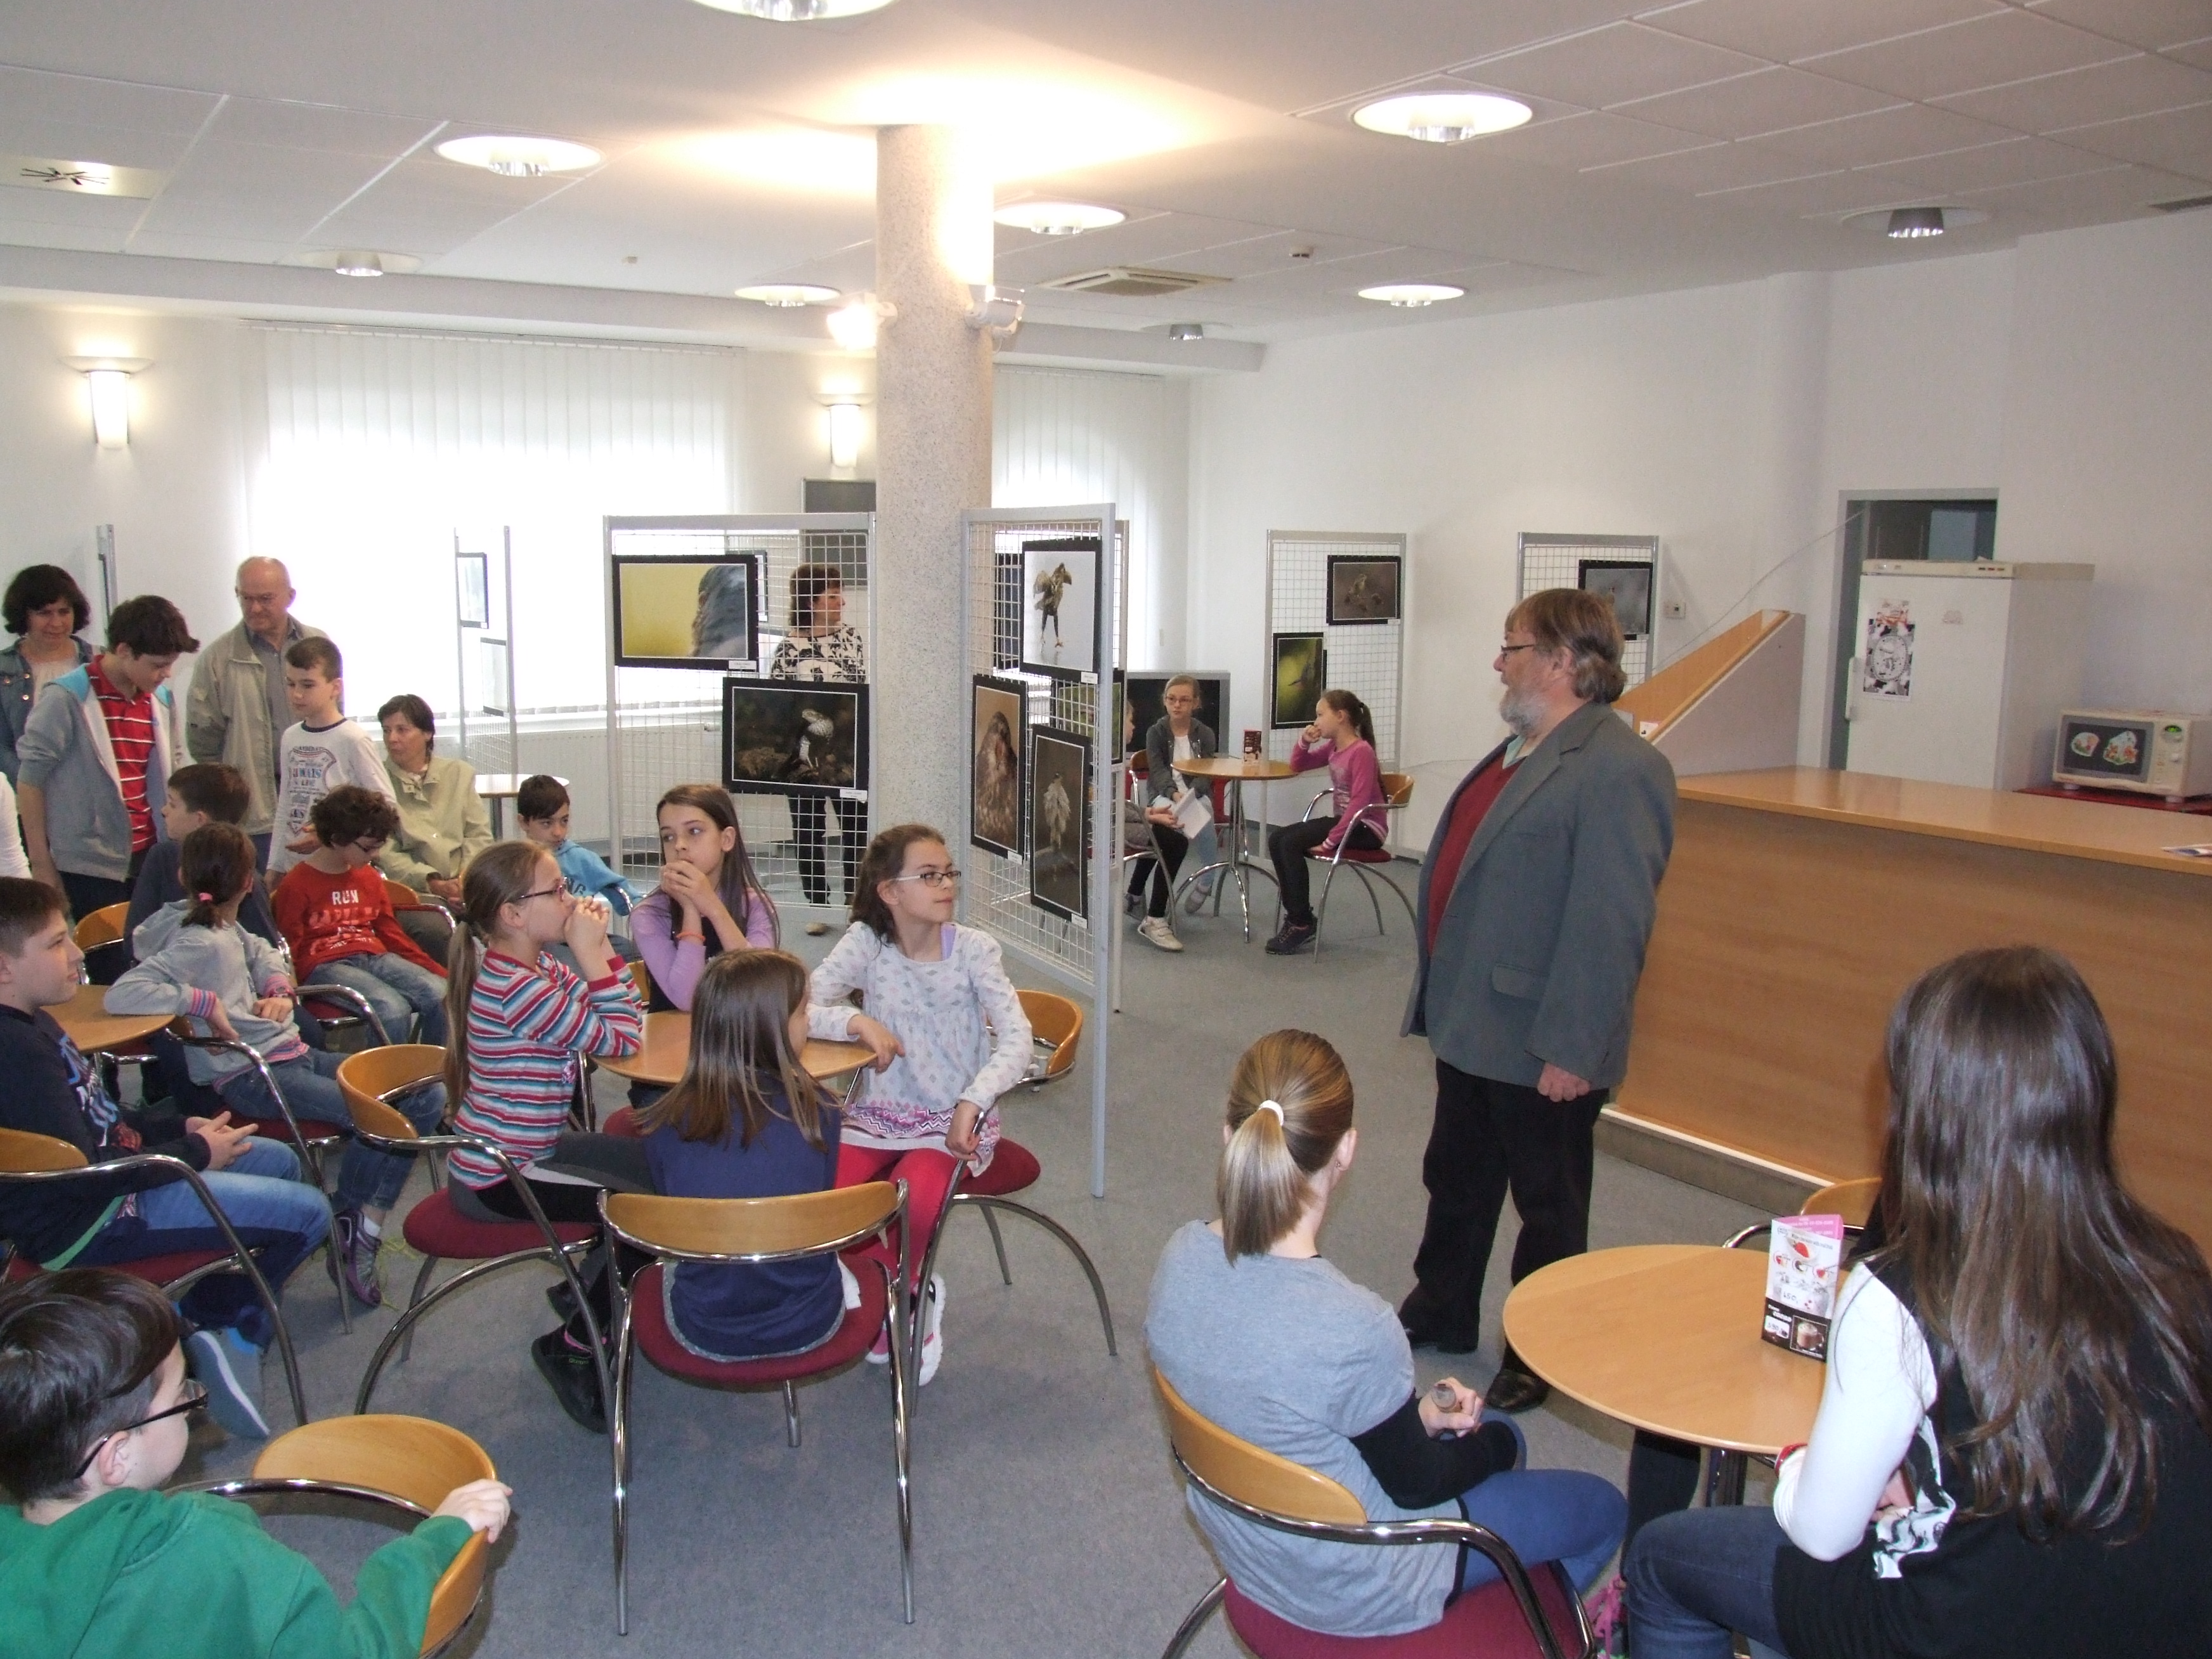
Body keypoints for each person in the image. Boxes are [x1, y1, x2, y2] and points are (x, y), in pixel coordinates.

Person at [1625, 947, 2212, 1658]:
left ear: (1927, 1112)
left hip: (1966, 1631)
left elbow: (1820, 1533)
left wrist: (1795, 1466)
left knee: (1664, 1559)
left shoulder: (1903, 1292)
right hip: (2150, 1626)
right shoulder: (2174, 1268)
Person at [1145, 1028, 1627, 1640]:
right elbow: (1418, 1484)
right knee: (1584, 1494)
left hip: (1251, 1550)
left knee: (1482, 1444)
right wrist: (1495, 1451)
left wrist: (1413, 1418)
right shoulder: (1355, 1326)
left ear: (1228, 1136)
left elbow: (1277, 1401)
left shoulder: (1179, 1258)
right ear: (1346, 1149)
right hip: (1365, 1583)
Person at [1397, 589, 1674, 1413]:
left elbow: (1611, 925)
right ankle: (1442, 1306)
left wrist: (1574, 1049)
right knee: (1456, 1177)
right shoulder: (1519, 750)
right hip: (1474, 1021)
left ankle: (1539, 1349)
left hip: (1542, 1037)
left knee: (1547, 1206)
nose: (1498, 662)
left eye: (1511, 647)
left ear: (1561, 661)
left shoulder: (1621, 769)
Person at [0, 1268, 511, 1656]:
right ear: (116, 1456)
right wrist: (432, 1543)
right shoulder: (215, 1552)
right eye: (182, 1396)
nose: (195, 1402)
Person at [0, 876, 330, 1439]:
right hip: (94, 1221)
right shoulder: (17, 1055)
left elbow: (106, 1115)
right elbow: (81, 1175)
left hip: (118, 1180)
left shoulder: (37, 1021)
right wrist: (195, 1153)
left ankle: (198, 1315)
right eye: (56, 943)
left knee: (276, 1160)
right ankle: (216, 1330)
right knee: (310, 1215)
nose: (77, 955)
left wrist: (180, 1126)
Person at [110, 824, 443, 1311]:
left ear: (184, 876)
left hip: (290, 1055)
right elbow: (124, 993)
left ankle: (353, 1218)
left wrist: (278, 989)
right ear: (250, 883)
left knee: (425, 1093)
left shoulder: (222, 926)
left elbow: (264, 951)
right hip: (252, 1076)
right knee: (387, 1114)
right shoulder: (200, 940)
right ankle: (354, 1223)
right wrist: (202, 1002)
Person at [809, 823, 1031, 1386]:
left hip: (951, 1122)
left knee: (914, 1205)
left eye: (949, 873)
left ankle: (908, 1294)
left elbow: (1018, 1041)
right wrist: (854, 1021)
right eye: (930, 876)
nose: (947, 884)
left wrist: (973, 1102)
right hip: (880, 1115)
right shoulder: (867, 943)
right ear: (890, 891)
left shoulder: (975, 950)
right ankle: (898, 1288)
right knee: (828, 1205)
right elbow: (801, 1007)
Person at [441, 840, 649, 1431]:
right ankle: (573, 1344)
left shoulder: (540, 968)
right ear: (513, 914)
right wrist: (592, 952)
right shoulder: (518, 989)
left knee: (656, 1169)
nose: (571, 899)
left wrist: (597, 953)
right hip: (499, 1175)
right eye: (557, 890)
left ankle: (590, 1285)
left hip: (536, 1147)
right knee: (642, 1220)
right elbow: (621, 1040)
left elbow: (628, 1011)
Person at [637, 951, 854, 1360]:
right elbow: (817, 1201)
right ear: (773, 1028)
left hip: (703, 1327)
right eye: (802, 1012)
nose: (809, 1022)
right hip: (812, 1318)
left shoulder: (661, 1120)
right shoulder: (820, 1110)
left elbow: (673, 1209)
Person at [15, 595, 196, 928]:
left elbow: (174, 768)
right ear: (124, 651)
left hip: (151, 853)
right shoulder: (67, 698)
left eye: (170, 664)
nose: (166, 674)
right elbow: (30, 782)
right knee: (105, 953)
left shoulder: (160, 699)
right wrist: (41, 864)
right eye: (158, 665)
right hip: (89, 865)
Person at [271, 786, 450, 1049]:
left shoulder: (368, 877)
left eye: (379, 847)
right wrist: (291, 992)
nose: (375, 855)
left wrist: (441, 973)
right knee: (391, 1008)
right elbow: (290, 947)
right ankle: (388, 1073)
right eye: (368, 848)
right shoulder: (297, 884)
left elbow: (392, 936)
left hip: (372, 956)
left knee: (442, 993)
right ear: (336, 839)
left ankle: (433, 1067)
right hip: (324, 965)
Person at [185, 557, 327, 859]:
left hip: (315, 806)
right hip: (251, 815)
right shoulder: (217, 659)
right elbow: (204, 744)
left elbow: (333, 721)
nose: (255, 608)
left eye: (265, 599)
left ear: (290, 597)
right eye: (246, 598)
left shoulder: (318, 646)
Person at [767, 564, 865, 926]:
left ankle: (856, 904)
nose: (842, 603)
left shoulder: (852, 638)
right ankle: (818, 905)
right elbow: (779, 705)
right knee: (809, 832)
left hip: (847, 756)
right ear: (811, 602)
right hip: (804, 759)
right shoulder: (788, 649)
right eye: (833, 596)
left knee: (857, 829)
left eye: (840, 595)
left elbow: (860, 692)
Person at [1265, 688, 1388, 956]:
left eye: (1321, 715)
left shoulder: (1361, 751)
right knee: (1277, 839)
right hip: (1347, 823)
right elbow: (1298, 765)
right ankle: (1298, 917)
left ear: (1341, 716)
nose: (1316, 722)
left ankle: (1300, 922)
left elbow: (1360, 803)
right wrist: (1304, 742)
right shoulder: (1334, 747)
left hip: (1366, 828)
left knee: (1290, 844)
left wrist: (1332, 840)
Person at [632, 784, 776, 1013]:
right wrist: (690, 909)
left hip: (738, 1030)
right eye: (668, 836)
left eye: (694, 831)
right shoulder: (649, 914)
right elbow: (688, 1000)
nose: (679, 845)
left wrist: (713, 908)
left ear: (726, 839)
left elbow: (758, 986)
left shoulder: (755, 905)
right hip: (674, 1032)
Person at [374, 694, 491, 957]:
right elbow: (385, 853)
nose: (392, 739)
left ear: (427, 733)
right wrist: (433, 882)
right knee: (436, 928)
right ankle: (458, 979)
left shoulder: (459, 774)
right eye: (386, 730)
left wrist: (464, 881)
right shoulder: (377, 783)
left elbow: (478, 835)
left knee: (510, 913)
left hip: (466, 882)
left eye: (402, 730)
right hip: (416, 889)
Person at [266, 637, 391, 880]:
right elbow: (286, 804)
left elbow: (385, 804)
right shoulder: (290, 737)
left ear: (335, 687)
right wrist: (275, 865)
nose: (297, 694)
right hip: (295, 867)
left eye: (308, 685)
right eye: (290, 684)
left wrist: (328, 834)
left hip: (339, 866)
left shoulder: (353, 738)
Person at [1128, 674, 1222, 954]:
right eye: (1171, 699)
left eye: (1184, 700)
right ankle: (1150, 902)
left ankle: (1205, 879)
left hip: (1196, 795)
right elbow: (1158, 772)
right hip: (1163, 796)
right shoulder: (1156, 732)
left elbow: (1207, 773)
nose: (1177, 705)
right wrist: (1176, 795)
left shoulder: (1205, 733)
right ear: (1165, 701)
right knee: (1171, 827)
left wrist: (1191, 795)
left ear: (1195, 703)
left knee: (1203, 811)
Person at [0, 564, 96, 786]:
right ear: (24, 616)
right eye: (44, 613)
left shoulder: (98, 662)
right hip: (25, 792)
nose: (56, 623)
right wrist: (30, 785)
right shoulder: (3, 669)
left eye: (64, 612)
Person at [517, 773, 642, 922]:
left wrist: (645, 913)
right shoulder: (515, 864)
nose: (558, 832)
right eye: (547, 823)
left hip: (580, 933)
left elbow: (627, 895)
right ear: (523, 822)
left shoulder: (582, 859)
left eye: (564, 821)